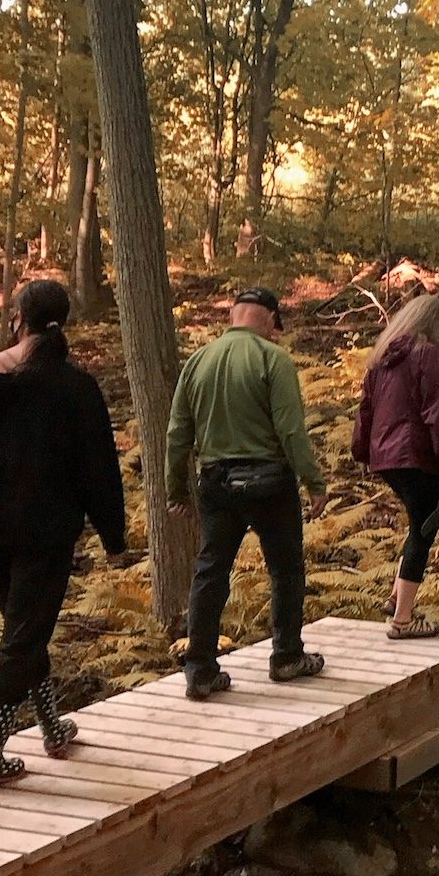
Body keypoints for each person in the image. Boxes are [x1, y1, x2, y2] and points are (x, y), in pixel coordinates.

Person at [0, 279, 126, 790]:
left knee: (24, 632)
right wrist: (113, 537)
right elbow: (99, 470)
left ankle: (51, 727)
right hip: (44, 532)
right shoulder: (76, 387)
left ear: (18, 320)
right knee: (24, 638)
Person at [166, 286, 327, 701]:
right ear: (270, 319)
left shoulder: (198, 361)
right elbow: (291, 430)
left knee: (210, 571)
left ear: (233, 315)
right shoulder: (273, 359)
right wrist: (314, 483)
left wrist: (176, 489)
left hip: (216, 482)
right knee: (286, 570)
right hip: (270, 482)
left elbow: (178, 434)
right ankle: (286, 656)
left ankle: (200, 669)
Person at [353, 292, 439, 639]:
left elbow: (365, 411)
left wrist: (362, 451)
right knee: (423, 532)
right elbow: (437, 411)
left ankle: (396, 598)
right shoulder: (429, 355)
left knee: (418, 525)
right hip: (415, 455)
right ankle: (403, 620)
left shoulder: (381, 360)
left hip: (385, 456)